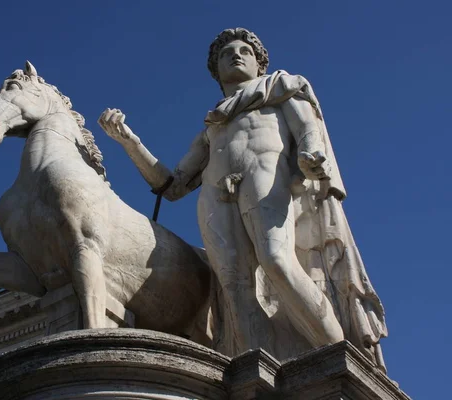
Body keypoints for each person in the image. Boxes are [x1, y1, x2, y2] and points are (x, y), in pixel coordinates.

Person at [99, 28, 387, 370]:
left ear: (260, 64)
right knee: (234, 289)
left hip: (264, 178)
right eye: (226, 54)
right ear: (216, 71)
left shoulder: (280, 89)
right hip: (215, 196)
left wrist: (311, 153)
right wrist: (130, 143)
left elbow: (308, 127)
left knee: (276, 260)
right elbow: (171, 186)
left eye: (245, 51)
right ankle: (256, 374)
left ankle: (340, 361)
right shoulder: (213, 126)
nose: (236, 55)